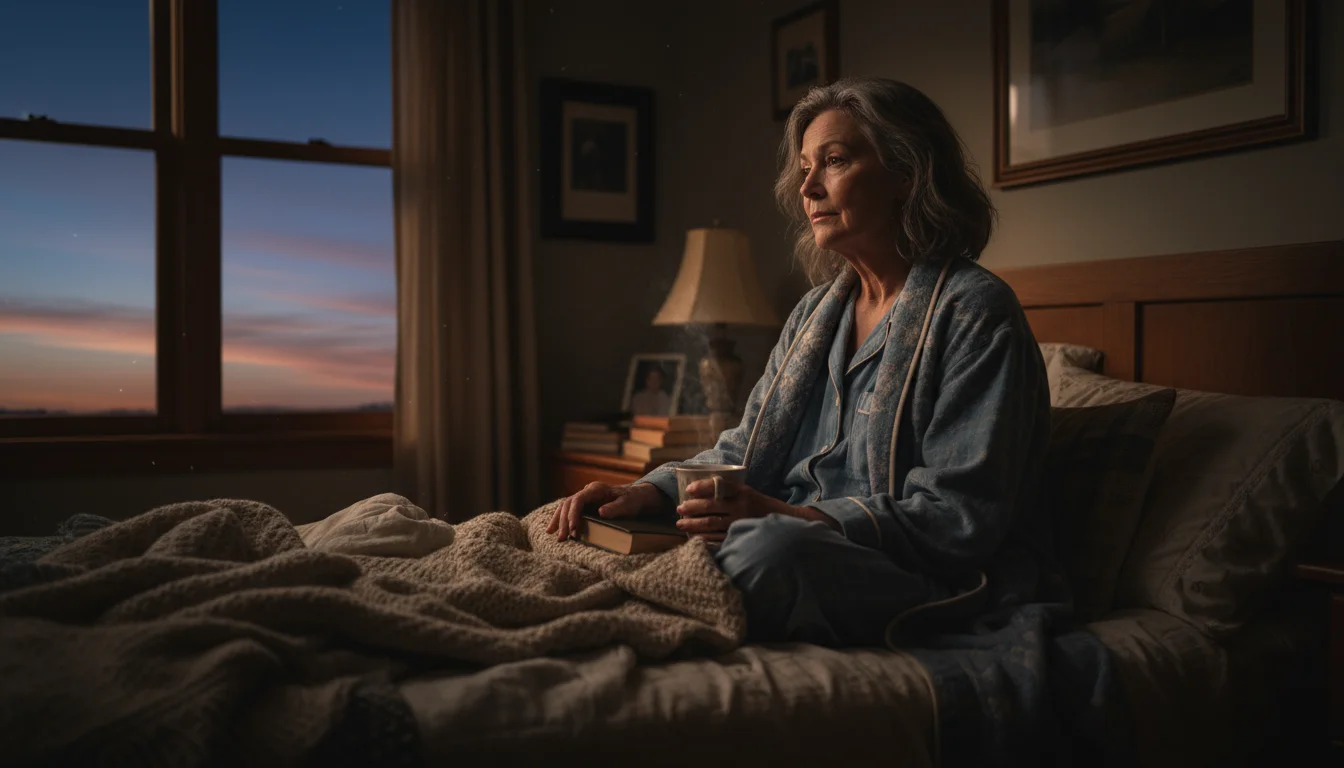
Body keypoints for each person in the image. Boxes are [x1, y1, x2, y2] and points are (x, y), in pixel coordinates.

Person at [549, 77, 1053, 648]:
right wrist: (648, 492)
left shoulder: (975, 312)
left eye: (833, 161)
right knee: (579, 524)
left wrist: (784, 517)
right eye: (805, 167)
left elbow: (960, 515)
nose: (807, 187)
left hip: (898, 570)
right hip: (771, 534)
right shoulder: (815, 312)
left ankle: (639, 602)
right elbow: (744, 447)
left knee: (771, 550)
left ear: (907, 173)